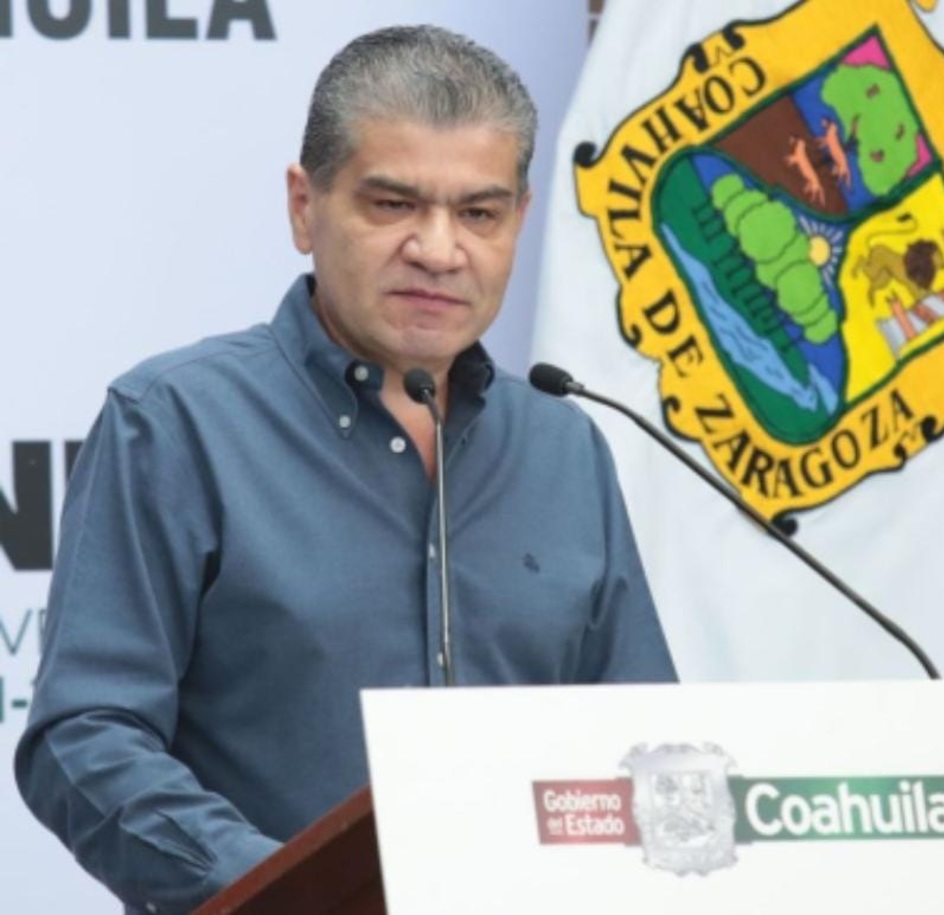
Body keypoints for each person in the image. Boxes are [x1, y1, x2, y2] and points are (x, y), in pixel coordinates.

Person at [14, 24, 676, 915]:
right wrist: (292, 893)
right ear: (304, 206)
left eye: (478, 214)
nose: (439, 249)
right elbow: (84, 738)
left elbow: (643, 743)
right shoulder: (175, 422)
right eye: (393, 204)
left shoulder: (566, 445)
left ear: (520, 219)